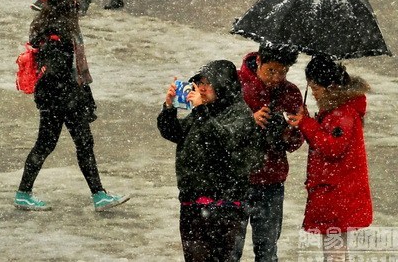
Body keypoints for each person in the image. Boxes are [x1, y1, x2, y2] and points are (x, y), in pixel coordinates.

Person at [15, 0, 129, 212]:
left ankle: (95, 194)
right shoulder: (58, 28)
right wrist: (75, 97)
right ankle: (97, 195)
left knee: (57, 143)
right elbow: (57, 69)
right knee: (71, 143)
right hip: (62, 97)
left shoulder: (53, 22)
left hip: (57, 96)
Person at [158, 59, 264, 262]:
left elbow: (223, 141)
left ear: (223, 86)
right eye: (200, 83)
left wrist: (200, 112)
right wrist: (169, 108)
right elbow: (174, 133)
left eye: (208, 83)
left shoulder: (240, 114)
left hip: (226, 208)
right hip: (192, 205)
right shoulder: (203, 112)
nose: (202, 89)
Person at [285, 56, 372, 261]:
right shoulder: (337, 110)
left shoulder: (343, 113)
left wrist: (307, 123)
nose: (313, 93)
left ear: (330, 87)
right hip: (335, 193)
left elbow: (332, 147)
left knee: (334, 253)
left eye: (315, 88)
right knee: (334, 250)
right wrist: (308, 121)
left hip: (338, 194)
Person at [235, 44, 304, 262]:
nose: (276, 77)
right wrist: (249, 121)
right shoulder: (234, 84)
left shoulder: (291, 93)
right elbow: (215, 124)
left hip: (270, 181)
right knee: (229, 249)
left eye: (282, 72)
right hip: (235, 179)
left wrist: (289, 132)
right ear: (259, 61)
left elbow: (296, 141)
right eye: (271, 71)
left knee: (267, 249)